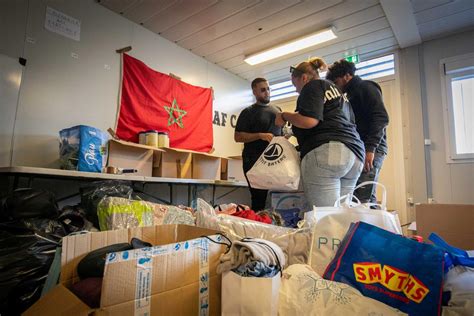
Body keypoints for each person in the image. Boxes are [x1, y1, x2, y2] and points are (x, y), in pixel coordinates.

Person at [274, 57, 365, 207]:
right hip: (354, 155)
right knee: (342, 215)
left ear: (304, 78)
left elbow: (309, 121)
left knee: (325, 218)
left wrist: (284, 115)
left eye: (295, 85)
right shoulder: (339, 93)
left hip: (328, 152)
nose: (296, 90)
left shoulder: (313, 86)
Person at [326, 59, 389, 204]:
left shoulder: (366, 87)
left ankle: (368, 224)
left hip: (372, 147)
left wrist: (370, 148)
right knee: (362, 195)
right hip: (360, 147)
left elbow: (381, 117)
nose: (336, 87)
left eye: (336, 82)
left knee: (363, 196)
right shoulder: (346, 96)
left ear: (347, 76)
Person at [234, 78, 282, 211]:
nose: (267, 92)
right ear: (254, 92)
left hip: (275, 160)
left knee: (276, 199)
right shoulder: (248, 112)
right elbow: (238, 137)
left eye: (268, 89)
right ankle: (257, 228)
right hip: (254, 160)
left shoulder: (277, 110)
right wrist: (260, 135)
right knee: (259, 199)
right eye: (262, 90)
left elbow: (281, 134)